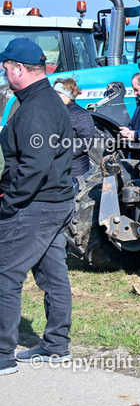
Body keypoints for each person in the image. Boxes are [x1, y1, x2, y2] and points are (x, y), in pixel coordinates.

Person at [0, 39, 76, 376]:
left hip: (37, 204)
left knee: (6, 275)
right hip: (54, 201)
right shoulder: (42, 100)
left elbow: (34, 165)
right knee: (52, 273)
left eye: (5, 67)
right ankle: (57, 345)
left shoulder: (36, 108)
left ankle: (3, 355)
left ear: (18, 68)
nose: (3, 72)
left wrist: (9, 204)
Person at [52, 78, 100, 180]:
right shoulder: (53, 113)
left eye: (59, 93)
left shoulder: (81, 115)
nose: (54, 96)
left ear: (68, 95)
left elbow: (87, 140)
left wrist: (62, 152)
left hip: (75, 171)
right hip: (55, 170)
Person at [119, 72, 140, 145]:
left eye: (137, 90)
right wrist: (128, 131)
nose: (135, 94)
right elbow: (135, 125)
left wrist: (135, 134)